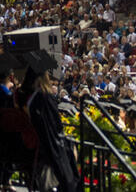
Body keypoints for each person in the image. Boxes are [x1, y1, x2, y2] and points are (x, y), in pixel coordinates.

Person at [22, 50, 81, 192]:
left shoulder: (28, 96)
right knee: (69, 144)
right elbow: (56, 125)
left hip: (29, 141)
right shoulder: (44, 97)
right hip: (45, 144)